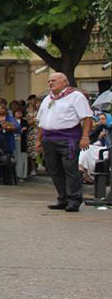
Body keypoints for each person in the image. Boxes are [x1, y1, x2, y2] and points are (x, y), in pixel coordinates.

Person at [36, 73, 94, 212]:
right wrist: (39, 140)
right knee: (54, 169)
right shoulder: (47, 99)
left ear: (64, 82)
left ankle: (74, 199)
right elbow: (41, 121)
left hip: (68, 138)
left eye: (54, 80)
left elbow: (87, 117)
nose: (50, 83)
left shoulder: (75, 96)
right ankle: (62, 198)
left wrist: (85, 137)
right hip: (49, 139)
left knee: (70, 169)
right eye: (49, 81)